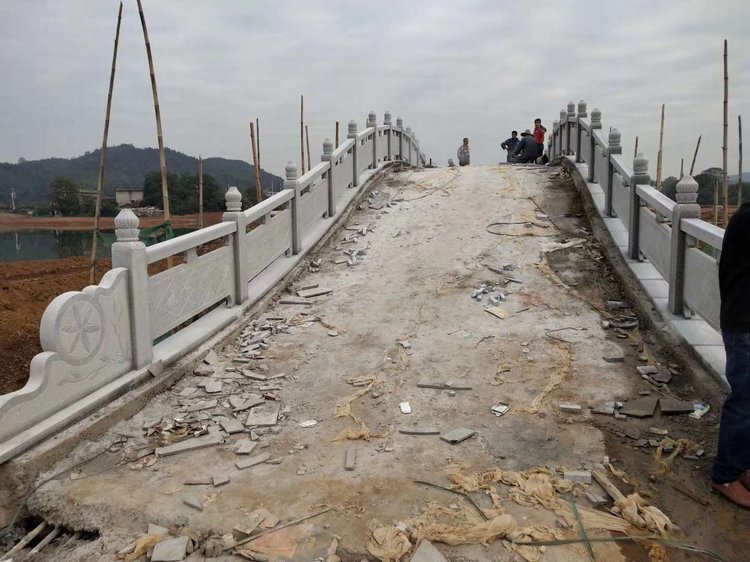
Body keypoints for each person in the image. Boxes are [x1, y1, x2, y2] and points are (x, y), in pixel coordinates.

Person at [712, 200, 750, 508]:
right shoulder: (747, 221)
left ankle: (743, 466)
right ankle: (725, 475)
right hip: (744, 324)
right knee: (745, 401)